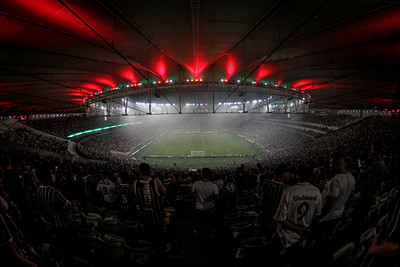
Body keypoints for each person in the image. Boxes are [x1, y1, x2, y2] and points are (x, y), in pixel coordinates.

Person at [274, 163, 322, 253]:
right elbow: (317, 216)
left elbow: (281, 218)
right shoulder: (317, 192)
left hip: (286, 238)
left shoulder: (289, 191)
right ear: (311, 175)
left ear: (297, 174)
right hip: (304, 237)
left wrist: (297, 229)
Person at [312, 154, 356, 245]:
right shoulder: (351, 177)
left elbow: (330, 203)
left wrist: (319, 216)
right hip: (339, 213)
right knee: (329, 235)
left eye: (331, 163)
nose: (329, 166)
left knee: (314, 237)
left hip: (327, 217)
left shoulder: (335, 180)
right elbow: (352, 194)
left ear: (336, 165)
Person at [133, 163, 169, 253]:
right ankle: (161, 249)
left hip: (145, 216)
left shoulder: (135, 184)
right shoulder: (156, 182)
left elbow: (136, 198)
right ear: (149, 171)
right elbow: (164, 192)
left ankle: (149, 249)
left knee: (148, 234)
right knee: (160, 233)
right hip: (157, 216)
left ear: (140, 171)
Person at [256, 164, 290, 239]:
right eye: (288, 172)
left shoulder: (266, 183)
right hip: (276, 223)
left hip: (264, 219)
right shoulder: (286, 189)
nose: (290, 174)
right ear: (281, 175)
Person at [191, 168, 219, 236]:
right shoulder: (213, 186)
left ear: (202, 175)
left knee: (199, 223)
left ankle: (198, 236)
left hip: (199, 207)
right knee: (209, 224)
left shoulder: (196, 184)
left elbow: (192, 194)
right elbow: (217, 198)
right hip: (210, 208)